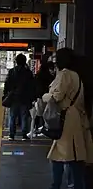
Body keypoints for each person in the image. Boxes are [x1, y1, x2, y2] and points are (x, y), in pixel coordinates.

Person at [42, 48, 93, 189]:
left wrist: (44, 96)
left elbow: (56, 96)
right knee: (74, 155)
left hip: (65, 118)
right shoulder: (77, 75)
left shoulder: (64, 75)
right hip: (75, 117)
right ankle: (77, 184)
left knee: (60, 155)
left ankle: (57, 185)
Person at [3, 54, 35, 141]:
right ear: (25, 61)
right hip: (25, 98)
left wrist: (5, 95)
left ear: (16, 61)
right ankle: (24, 135)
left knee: (12, 116)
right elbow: (32, 86)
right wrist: (32, 98)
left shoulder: (12, 71)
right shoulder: (28, 73)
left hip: (13, 98)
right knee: (24, 116)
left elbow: (7, 84)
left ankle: (11, 135)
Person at [28, 60, 56, 138]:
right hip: (48, 97)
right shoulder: (50, 77)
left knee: (38, 114)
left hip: (39, 97)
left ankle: (35, 128)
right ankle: (44, 129)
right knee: (46, 114)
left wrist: (34, 97)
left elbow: (34, 87)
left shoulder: (38, 75)